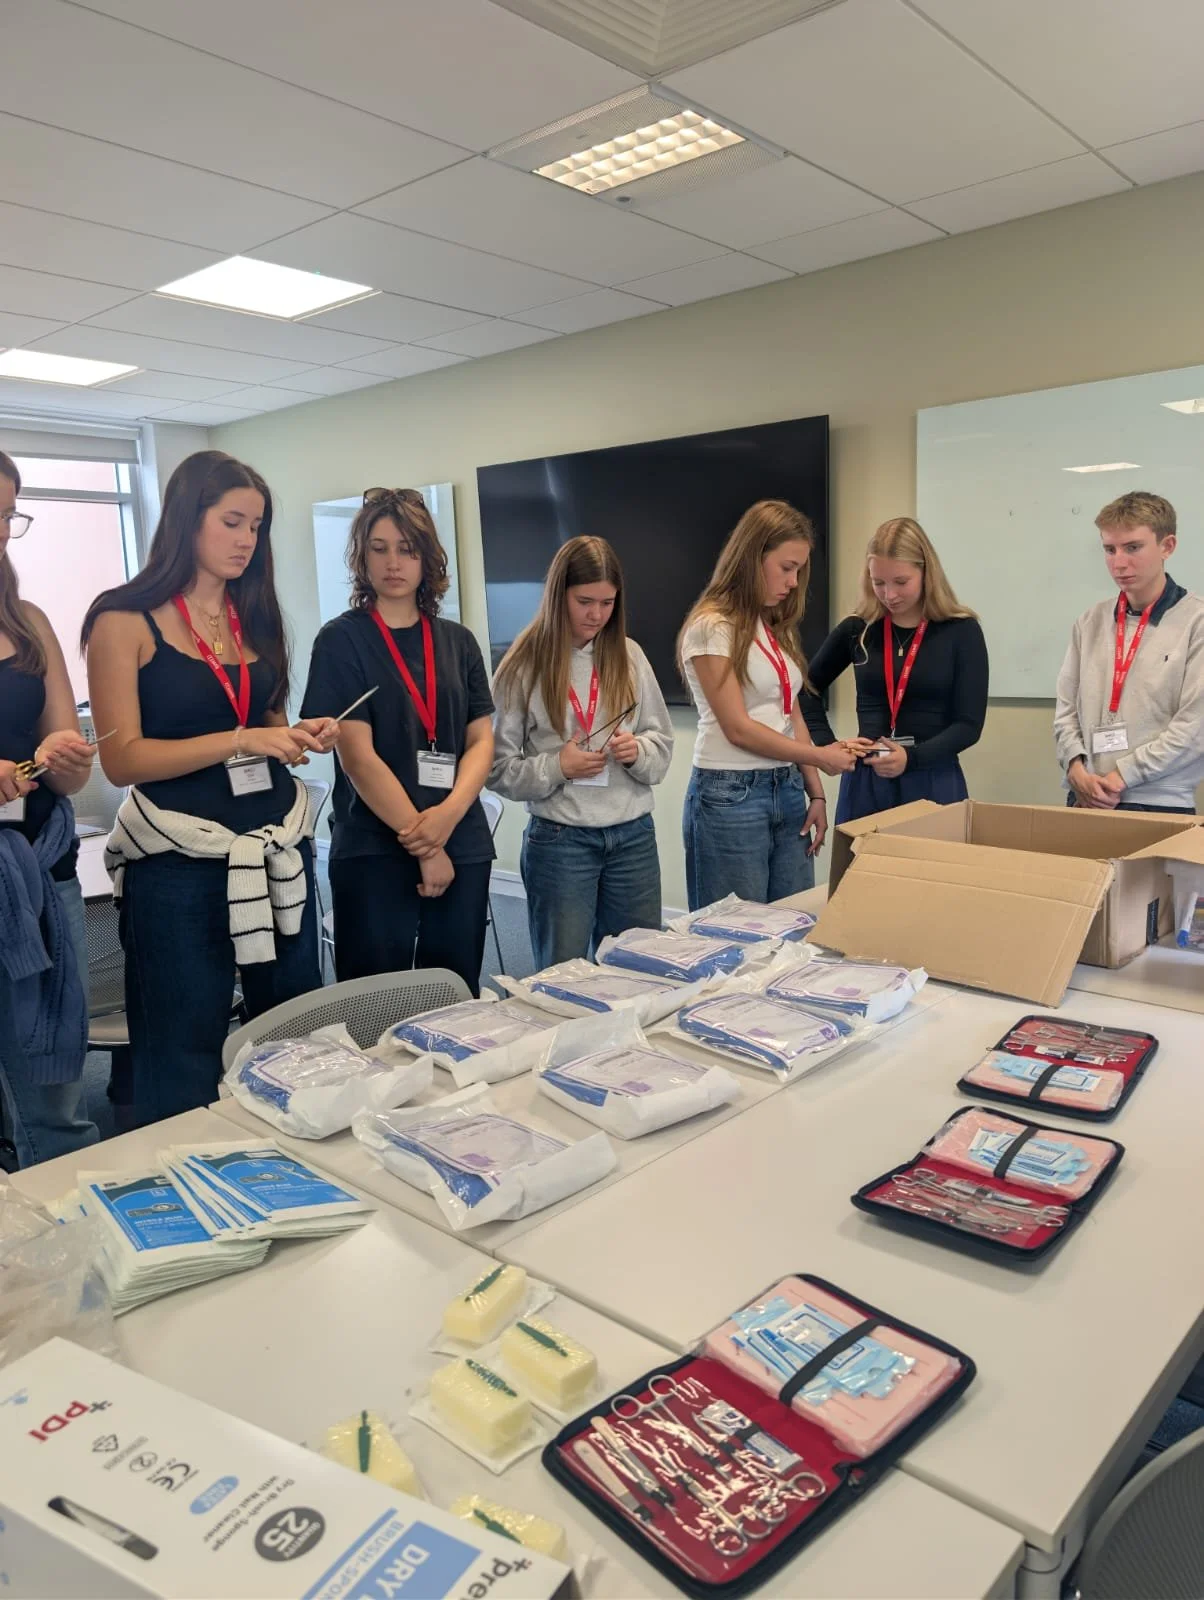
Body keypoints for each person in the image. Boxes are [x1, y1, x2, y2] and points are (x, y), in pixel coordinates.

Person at [83, 450, 338, 1125]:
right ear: (186, 519)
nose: (247, 541)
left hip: (277, 849)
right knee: (182, 1046)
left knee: (291, 1031)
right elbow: (123, 760)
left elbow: (267, 723)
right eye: (232, 522)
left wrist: (295, 734)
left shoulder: (253, 615)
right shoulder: (122, 620)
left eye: (256, 526)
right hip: (176, 866)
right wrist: (242, 740)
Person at [301, 487, 495, 993]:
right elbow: (358, 759)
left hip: (462, 840)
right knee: (375, 1007)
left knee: (453, 998)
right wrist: (424, 844)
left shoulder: (458, 641)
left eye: (408, 549)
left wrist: (448, 816)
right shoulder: (341, 640)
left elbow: (481, 741)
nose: (394, 563)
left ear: (427, 558)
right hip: (375, 848)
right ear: (361, 558)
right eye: (379, 548)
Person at [491, 536, 674, 967]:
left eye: (608, 603)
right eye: (585, 601)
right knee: (562, 976)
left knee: (639, 969)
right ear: (559, 596)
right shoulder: (522, 665)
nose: (596, 615)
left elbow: (661, 746)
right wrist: (559, 766)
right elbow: (497, 769)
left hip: (632, 838)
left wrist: (637, 751)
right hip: (561, 842)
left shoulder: (630, 656)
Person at [678, 500, 855, 910]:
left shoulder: (771, 624)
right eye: (787, 567)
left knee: (792, 928)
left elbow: (789, 710)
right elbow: (737, 728)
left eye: (799, 570)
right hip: (730, 794)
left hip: (787, 788)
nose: (794, 582)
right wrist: (817, 756)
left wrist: (815, 792)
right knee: (732, 938)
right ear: (751, 558)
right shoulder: (711, 627)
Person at [0, 450, 99, 1166]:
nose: (0, 531)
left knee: (52, 1079)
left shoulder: (27, 620)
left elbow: (62, 768)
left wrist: (68, 756)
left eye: (7, 516)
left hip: (40, 874)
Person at [802, 517, 988, 824]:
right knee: (861, 869)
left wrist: (912, 758)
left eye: (901, 582)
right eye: (879, 583)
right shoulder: (857, 629)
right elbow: (806, 690)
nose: (889, 594)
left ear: (926, 573)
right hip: (867, 780)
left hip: (932, 776)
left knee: (931, 871)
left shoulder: (961, 631)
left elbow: (969, 724)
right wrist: (827, 745)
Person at [1055, 491, 1204, 813]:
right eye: (1109, 549)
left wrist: (1123, 776)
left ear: (1168, 546)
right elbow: (1066, 709)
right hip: (1086, 796)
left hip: (1158, 801)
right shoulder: (1089, 622)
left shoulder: (1196, 622)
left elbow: (1195, 727)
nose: (1118, 562)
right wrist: (1075, 768)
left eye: (1133, 547)